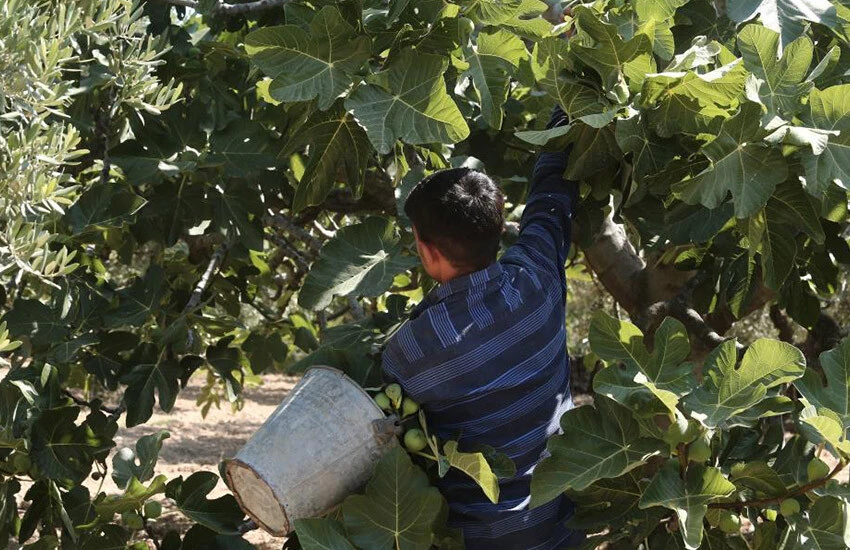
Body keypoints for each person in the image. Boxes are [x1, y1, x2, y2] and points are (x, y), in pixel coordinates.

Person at [381, 103, 584, 549]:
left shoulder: (409, 351)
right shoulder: (536, 279)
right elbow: (552, 201)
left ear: (428, 251)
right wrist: (566, 111)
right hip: (561, 526)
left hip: (477, 539)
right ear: (498, 225)